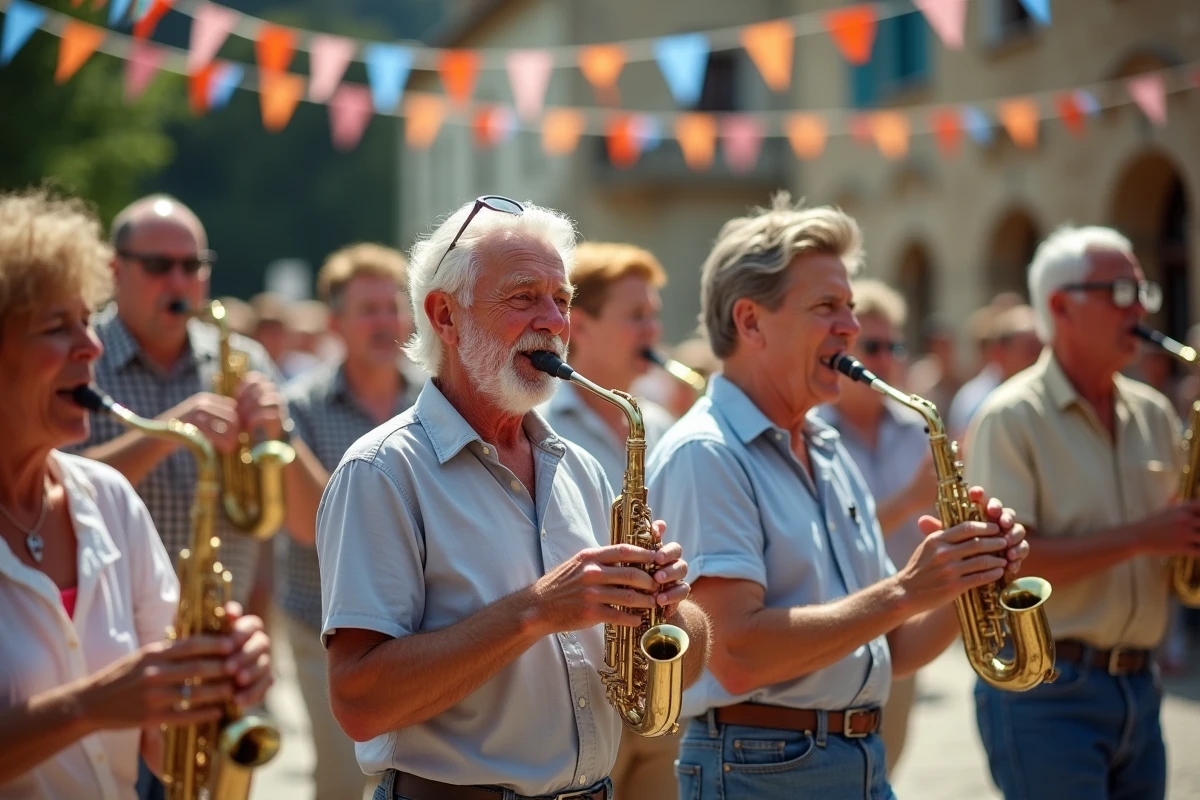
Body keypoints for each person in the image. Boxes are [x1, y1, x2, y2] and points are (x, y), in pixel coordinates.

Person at [316, 196, 711, 800]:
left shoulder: (578, 467)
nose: (553, 320)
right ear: (445, 316)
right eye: (525, 297)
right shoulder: (383, 471)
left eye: (564, 300)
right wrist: (537, 610)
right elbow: (359, 703)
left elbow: (684, 670)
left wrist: (668, 608)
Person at [645, 194, 1029, 799]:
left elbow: (892, 647)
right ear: (750, 322)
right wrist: (907, 587)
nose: (850, 327)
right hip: (761, 765)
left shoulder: (825, 448)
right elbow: (737, 654)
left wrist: (967, 578)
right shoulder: (707, 452)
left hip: (855, 758)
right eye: (826, 306)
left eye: (849, 306)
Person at [0, 188, 273, 800]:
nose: (91, 347)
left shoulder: (108, 499)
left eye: (84, 320)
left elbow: (167, 752)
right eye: (56, 328)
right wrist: (92, 706)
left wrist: (221, 683)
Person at [964, 226, 1193, 800]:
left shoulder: (1155, 414)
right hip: (1050, 692)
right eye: (1120, 292)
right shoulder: (1010, 416)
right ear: (1061, 306)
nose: (1139, 307)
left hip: (1140, 686)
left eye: (1143, 292)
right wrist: (1144, 536)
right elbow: (1009, 571)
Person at [70, 193, 328, 610]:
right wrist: (171, 432)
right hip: (111, 634)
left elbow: (311, 526)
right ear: (114, 271)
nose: (178, 282)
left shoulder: (247, 360)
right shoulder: (79, 358)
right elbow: (53, 497)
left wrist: (280, 434)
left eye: (192, 266)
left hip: (220, 638)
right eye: (158, 266)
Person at [535, 241, 681, 800]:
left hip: (655, 673)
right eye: (635, 316)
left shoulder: (662, 422)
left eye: (654, 315)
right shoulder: (538, 426)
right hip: (573, 690)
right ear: (580, 326)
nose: (651, 330)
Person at [278, 242, 420, 800]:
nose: (385, 321)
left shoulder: (436, 398)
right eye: (369, 309)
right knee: (342, 781)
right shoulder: (299, 407)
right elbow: (302, 526)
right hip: (324, 622)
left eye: (393, 306)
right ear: (335, 323)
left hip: (419, 629)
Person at [813, 278, 938, 778]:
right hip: (833, 620)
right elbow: (827, 536)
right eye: (872, 347)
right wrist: (908, 500)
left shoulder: (918, 427)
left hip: (905, 624)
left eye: (894, 346)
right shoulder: (812, 432)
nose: (884, 360)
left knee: (886, 764)